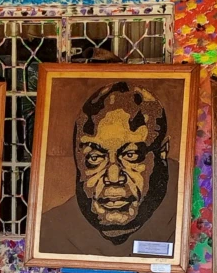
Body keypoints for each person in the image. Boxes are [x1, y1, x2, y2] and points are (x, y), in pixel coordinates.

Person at [40, 81, 177, 257]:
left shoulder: (194, 216)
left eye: (131, 155)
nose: (113, 177)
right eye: (95, 157)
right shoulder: (53, 230)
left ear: (162, 153)